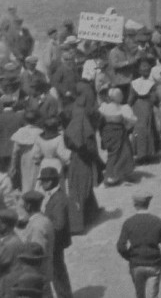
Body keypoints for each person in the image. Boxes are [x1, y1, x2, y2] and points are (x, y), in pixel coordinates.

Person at [117, 192, 161, 298]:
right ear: (148, 204)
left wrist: (129, 257)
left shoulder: (129, 222)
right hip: (154, 264)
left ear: (135, 205)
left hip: (136, 264)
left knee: (140, 295)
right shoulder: (158, 222)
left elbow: (120, 246)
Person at [63, 81, 101, 234]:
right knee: (80, 191)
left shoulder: (71, 127)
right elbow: (91, 148)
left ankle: (92, 212)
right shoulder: (85, 126)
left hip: (75, 159)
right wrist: (97, 160)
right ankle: (77, 225)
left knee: (80, 188)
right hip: (83, 161)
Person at [39, 165, 72, 298]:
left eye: (44, 181)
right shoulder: (54, 196)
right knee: (58, 273)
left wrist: (44, 225)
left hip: (56, 243)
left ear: (51, 181)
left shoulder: (58, 199)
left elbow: (59, 224)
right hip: (56, 242)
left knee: (58, 273)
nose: (41, 183)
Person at [98, 88, 136, 186]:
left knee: (119, 152)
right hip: (118, 131)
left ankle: (118, 174)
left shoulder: (104, 107)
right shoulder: (123, 108)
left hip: (107, 130)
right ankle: (111, 176)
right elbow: (132, 120)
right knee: (120, 153)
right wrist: (127, 127)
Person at [18, 190, 54, 291]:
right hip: (45, 271)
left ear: (28, 206)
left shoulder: (36, 227)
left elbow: (36, 254)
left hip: (38, 274)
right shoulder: (43, 219)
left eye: (23, 205)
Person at [128, 59, 160, 164]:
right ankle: (147, 154)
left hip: (137, 107)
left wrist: (128, 106)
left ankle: (138, 153)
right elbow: (154, 99)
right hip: (147, 107)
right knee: (148, 129)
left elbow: (131, 99)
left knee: (137, 129)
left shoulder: (134, 83)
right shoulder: (152, 84)